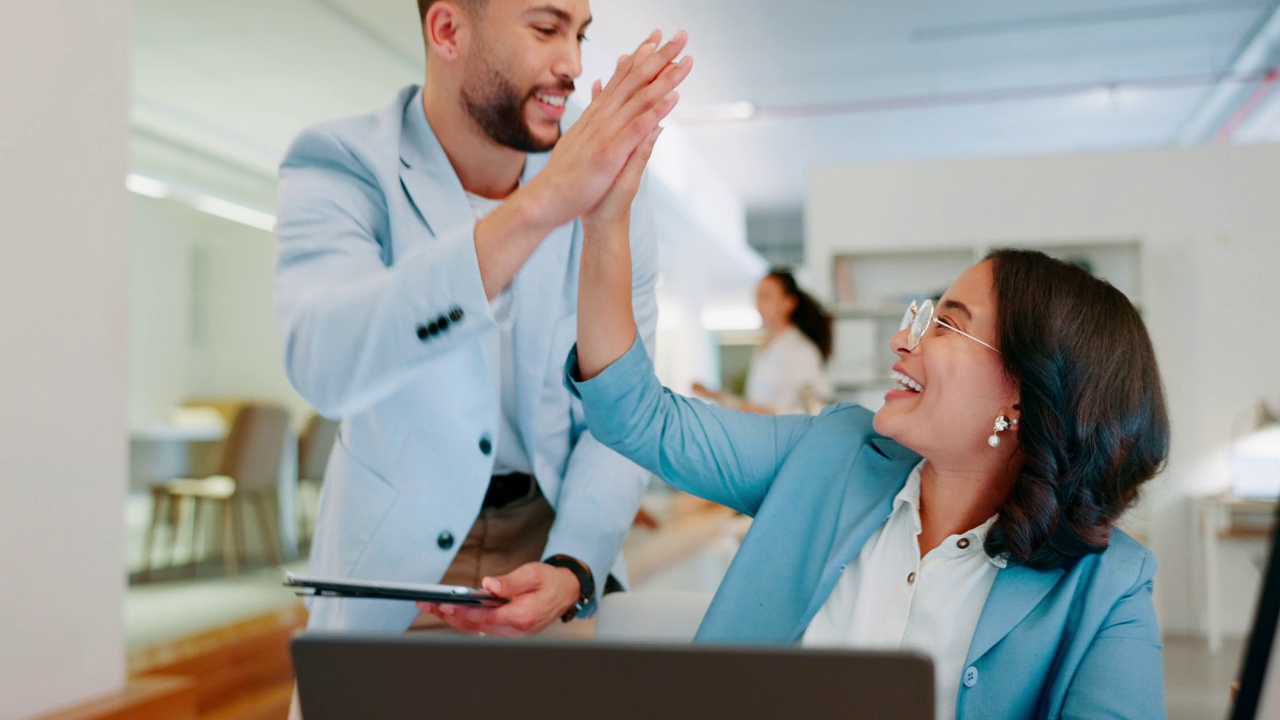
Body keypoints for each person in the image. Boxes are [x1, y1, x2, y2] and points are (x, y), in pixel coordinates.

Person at [539, 199, 1170, 718]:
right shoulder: (830, 452)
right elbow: (635, 416)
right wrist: (605, 218)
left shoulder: (1108, 585)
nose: (903, 339)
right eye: (919, 318)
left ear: (1025, 394)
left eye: (944, 327)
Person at [272, 0, 692, 643]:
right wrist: (543, 203)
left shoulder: (610, 176)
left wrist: (575, 564)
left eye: (579, 36)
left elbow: (624, 413)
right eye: (546, 29)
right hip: (393, 559)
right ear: (448, 31)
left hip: (552, 537)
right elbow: (322, 366)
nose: (573, 64)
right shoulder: (342, 162)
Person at [693, 268, 833, 414]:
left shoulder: (801, 351)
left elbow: (810, 408)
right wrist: (716, 396)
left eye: (767, 296)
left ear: (789, 303)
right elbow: (757, 406)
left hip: (786, 434)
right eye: (758, 296)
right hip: (764, 432)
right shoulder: (765, 348)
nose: (759, 304)